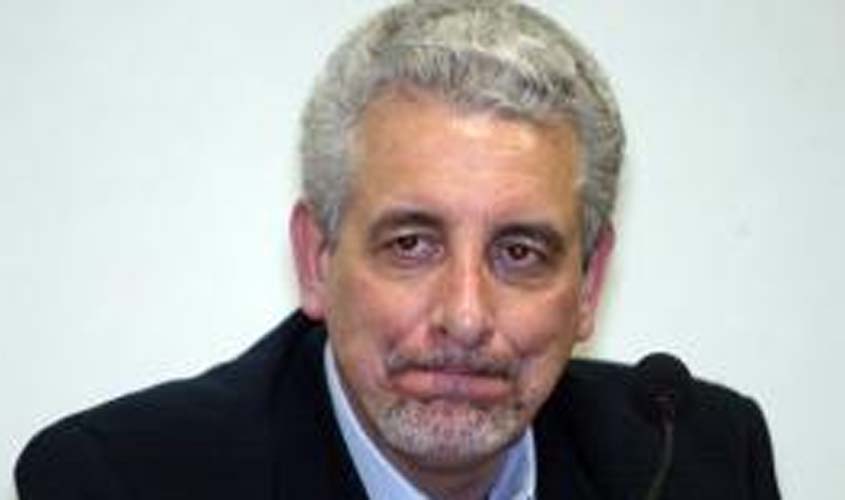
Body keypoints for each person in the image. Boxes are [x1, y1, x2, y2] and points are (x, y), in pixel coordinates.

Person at [15, 1, 780, 499]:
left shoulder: (696, 462)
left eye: (519, 253)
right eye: (411, 244)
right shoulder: (120, 481)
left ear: (588, 284)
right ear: (317, 260)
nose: (465, 317)